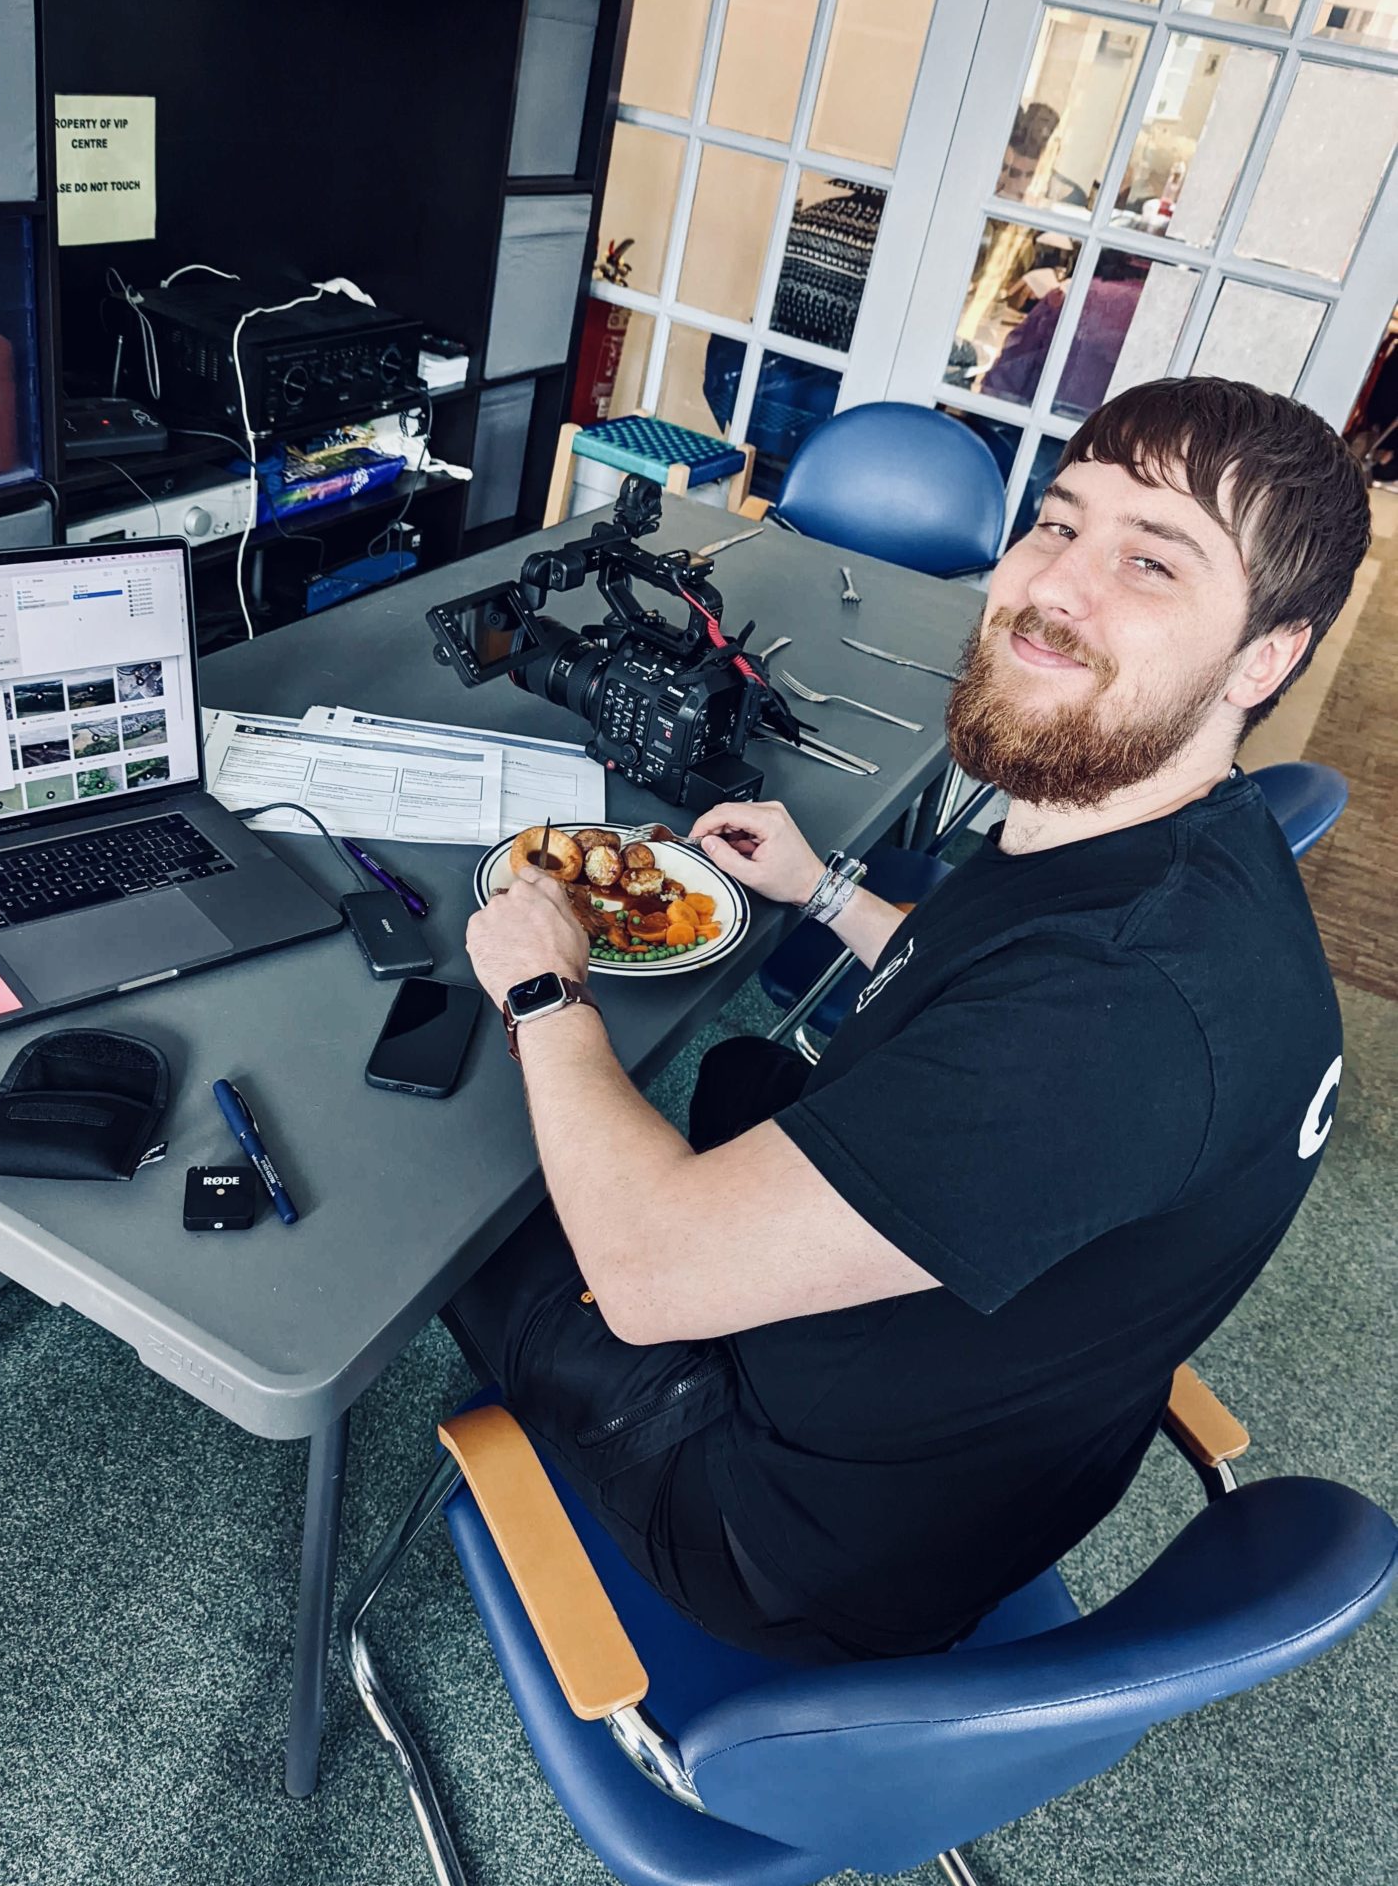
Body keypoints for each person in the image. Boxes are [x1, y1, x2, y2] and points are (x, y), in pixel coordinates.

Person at [449, 377, 1369, 1664]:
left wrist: (548, 986)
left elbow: (653, 1279)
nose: (1053, 588)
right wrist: (825, 890)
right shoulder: (1163, 840)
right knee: (746, 1078)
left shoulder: (1120, 1016)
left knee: (464, 1185)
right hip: (989, 1443)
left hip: (787, 1536)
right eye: (1059, 524)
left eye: (1152, 562)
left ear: (1265, 655)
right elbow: (992, 984)